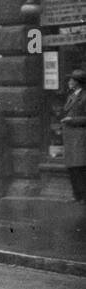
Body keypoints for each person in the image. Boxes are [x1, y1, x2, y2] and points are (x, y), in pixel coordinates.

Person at [62, 69, 86, 204]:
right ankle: (77, 195)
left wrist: (72, 120)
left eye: (72, 80)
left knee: (80, 167)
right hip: (70, 136)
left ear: (78, 82)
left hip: (79, 136)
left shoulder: (85, 96)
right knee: (72, 167)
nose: (69, 82)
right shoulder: (71, 95)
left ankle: (83, 196)